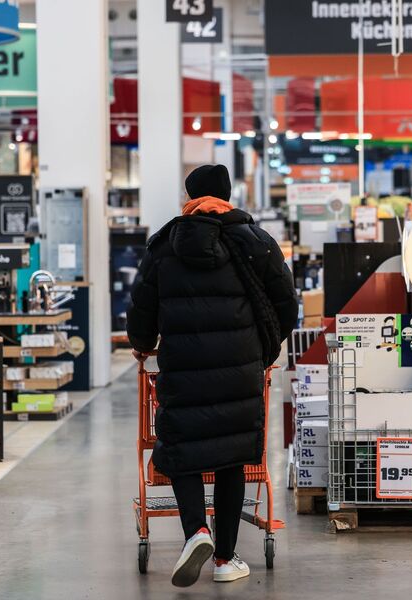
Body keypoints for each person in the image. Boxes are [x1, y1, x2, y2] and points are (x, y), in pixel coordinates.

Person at [126, 164, 298, 587]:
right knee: (232, 456)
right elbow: (287, 305)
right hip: (239, 369)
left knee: (181, 447)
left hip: (182, 366)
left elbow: (141, 309)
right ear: (227, 193)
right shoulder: (255, 240)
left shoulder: (164, 245)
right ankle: (224, 559)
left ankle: (195, 533)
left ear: (189, 195)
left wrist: (144, 344)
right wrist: (265, 344)